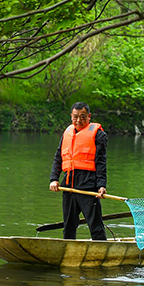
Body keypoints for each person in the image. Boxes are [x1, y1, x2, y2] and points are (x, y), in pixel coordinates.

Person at [49, 102, 108, 240]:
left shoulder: (99, 135)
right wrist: (54, 179)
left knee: (95, 225)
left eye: (82, 117)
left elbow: (101, 162)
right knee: (69, 225)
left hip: (88, 184)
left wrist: (101, 185)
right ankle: (69, 252)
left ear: (89, 116)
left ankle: (102, 251)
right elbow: (59, 157)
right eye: (75, 117)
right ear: (71, 116)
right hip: (68, 185)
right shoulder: (67, 133)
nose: (78, 121)